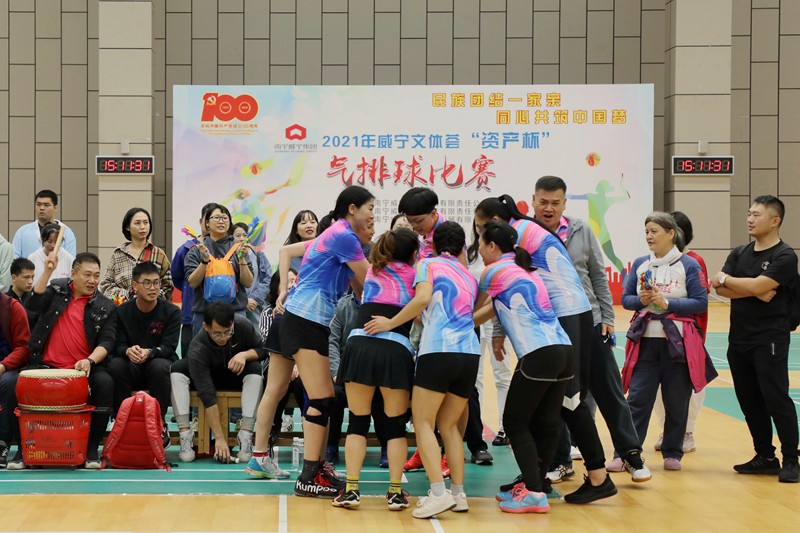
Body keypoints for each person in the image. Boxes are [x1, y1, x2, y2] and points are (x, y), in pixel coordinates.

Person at [474, 194, 616, 504]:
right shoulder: (524, 245)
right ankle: (536, 477)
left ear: (494, 229)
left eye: (481, 230)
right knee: (550, 408)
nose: (479, 240)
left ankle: (596, 475)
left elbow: (483, 301)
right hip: (565, 323)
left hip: (564, 317)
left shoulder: (514, 238)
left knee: (569, 402)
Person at [530, 176, 650, 483]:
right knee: (556, 396)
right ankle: (560, 460)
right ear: (533, 201)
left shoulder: (580, 229)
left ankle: (631, 454)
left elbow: (597, 274)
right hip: (550, 327)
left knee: (609, 389)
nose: (548, 208)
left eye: (555, 203)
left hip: (591, 321)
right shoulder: (526, 234)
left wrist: (607, 316)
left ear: (564, 203)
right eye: (543, 202)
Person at [365, 221, 479, 519]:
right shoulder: (468, 275)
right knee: (450, 426)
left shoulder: (428, 265)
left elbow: (424, 298)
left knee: (424, 423)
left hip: (438, 350)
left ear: (433, 245)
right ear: (463, 247)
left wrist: (390, 323)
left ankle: (438, 493)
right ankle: (458, 493)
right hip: (469, 353)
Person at [276, 185, 372, 498]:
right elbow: (369, 279)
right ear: (353, 209)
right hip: (304, 319)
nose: (372, 216)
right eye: (370, 209)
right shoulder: (344, 235)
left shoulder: (338, 235)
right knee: (319, 398)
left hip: (310, 320)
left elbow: (358, 286)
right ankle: (308, 476)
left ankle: (317, 468)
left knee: (326, 398)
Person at [474, 221, 573, 513]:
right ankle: (536, 485)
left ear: (492, 246)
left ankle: (533, 492)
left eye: (481, 244)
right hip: (563, 350)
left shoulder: (493, 271)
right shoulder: (525, 269)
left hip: (538, 353)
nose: (479, 249)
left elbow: (473, 309)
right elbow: (494, 307)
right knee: (548, 421)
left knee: (515, 423)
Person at [711, 195, 799, 483]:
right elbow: (718, 289)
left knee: (775, 398)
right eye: (749, 214)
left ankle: (791, 459)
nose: (749, 219)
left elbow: (737, 283)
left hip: (769, 339)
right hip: (739, 338)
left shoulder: (785, 256)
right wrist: (753, 290)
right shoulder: (740, 252)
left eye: (756, 215)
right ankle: (765, 456)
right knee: (748, 399)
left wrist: (730, 280)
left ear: (775, 220)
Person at [332, 227, 418, 511]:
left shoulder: (372, 271)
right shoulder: (418, 275)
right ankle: (395, 492)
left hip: (360, 346)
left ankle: (351, 490)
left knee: (357, 421)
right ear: (413, 253)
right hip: (395, 350)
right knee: (394, 426)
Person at [8, 252, 116, 470]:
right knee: (12, 384)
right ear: (73, 273)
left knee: (105, 383)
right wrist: (47, 272)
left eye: (96, 275)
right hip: (45, 365)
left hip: (84, 368)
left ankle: (91, 448)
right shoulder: (56, 291)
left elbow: (107, 341)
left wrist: (89, 360)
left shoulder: (105, 305)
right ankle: (23, 449)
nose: (92, 280)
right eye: (87, 274)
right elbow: (32, 305)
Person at [621, 212, 711, 472]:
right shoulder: (641, 263)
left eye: (654, 231)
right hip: (645, 342)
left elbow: (701, 302)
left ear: (671, 233)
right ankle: (627, 452)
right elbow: (626, 299)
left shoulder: (689, 265)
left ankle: (673, 452)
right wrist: (641, 300)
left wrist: (668, 303)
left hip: (678, 343)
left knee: (677, 400)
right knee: (637, 399)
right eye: (646, 231)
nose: (649, 236)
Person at [170, 301, 265, 463]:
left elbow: (263, 350)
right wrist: (219, 438)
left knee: (255, 368)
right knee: (177, 368)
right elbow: (207, 394)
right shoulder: (198, 347)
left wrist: (244, 355)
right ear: (206, 327)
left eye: (228, 332)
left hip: (235, 375)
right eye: (217, 334)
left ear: (232, 323)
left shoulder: (242, 325)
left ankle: (246, 434)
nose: (223, 338)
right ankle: (185, 434)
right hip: (208, 378)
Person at [652, 211, 710, 455]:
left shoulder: (693, 261)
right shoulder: (653, 261)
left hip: (688, 336)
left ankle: (687, 432)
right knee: (658, 387)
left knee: (690, 387)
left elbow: (699, 300)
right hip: (658, 336)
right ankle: (667, 430)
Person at [107, 262, 181, 447]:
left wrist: (150, 352)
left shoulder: (171, 311)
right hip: (130, 367)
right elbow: (117, 345)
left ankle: (159, 423)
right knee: (115, 365)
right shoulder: (121, 312)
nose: (153, 288)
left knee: (160, 366)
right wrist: (127, 351)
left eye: (156, 283)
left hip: (156, 366)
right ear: (135, 285)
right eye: (147, 283)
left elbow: (169, 347)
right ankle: (120, 420)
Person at [244, 268, 298, 480]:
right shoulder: (271, 312)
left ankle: (259, 455)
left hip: (296, 320)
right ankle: (316, 465)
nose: (292, 285)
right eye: (287, 281)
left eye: (294, 281)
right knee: (318, 396)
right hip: (297, 321)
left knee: (278, 390)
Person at [185, 204, 254, 335]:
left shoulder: (239, 249)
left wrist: (241, 259)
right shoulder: (197, 250)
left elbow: (248, 282)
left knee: (237, 347)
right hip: (204, 313)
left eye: (225, 218)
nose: (221, 221)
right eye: (216, 217)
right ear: (207, 222)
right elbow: (192, 282)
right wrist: (204, 261)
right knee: (203, 348)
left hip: (235, 312)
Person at [99, 207, 173, 305]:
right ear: (127, 227)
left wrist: (151, 297)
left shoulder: (158, 254)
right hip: (123, 309)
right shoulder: (118, 254)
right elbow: (105, 286)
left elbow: (168, 286)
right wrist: (127, 296)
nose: (142, 227)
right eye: (137, 223)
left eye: (146, 222)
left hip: (152, 309)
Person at [172, 202, 216, 357]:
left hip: (219, 313)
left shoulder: (226, 249)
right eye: (208, 219)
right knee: (191, 357)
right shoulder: (186, 249)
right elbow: (177, 277)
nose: (211, 224)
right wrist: (190, 289)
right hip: (192, 313)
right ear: (201, 221)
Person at [0, 291, 31, 467]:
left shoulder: (13, 308)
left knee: (7, 382)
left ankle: (2, 443)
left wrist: (3, 366)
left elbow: (23, 347)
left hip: (9, 368)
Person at [12, 190, 77, 259]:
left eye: (46, 205)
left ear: (55, 208)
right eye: (38, 204)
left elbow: (70, 260)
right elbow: (14, 257)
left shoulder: (66, 232)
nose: (42, 208)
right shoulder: (23, 232)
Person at [232, 222, 272, 327]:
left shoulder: (259, 255)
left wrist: (254, 298)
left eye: (244, 235)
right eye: (237, 235)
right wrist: (243, 301)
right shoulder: (228, 258)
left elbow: (267, 279)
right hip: (236, 308)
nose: (242, 238)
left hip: (255, 307)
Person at [285, 210, 319, 274]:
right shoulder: (289, 255)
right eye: (303, 223)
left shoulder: (325, 251)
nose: (309, 225)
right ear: (296, 230)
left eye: (312, 222)